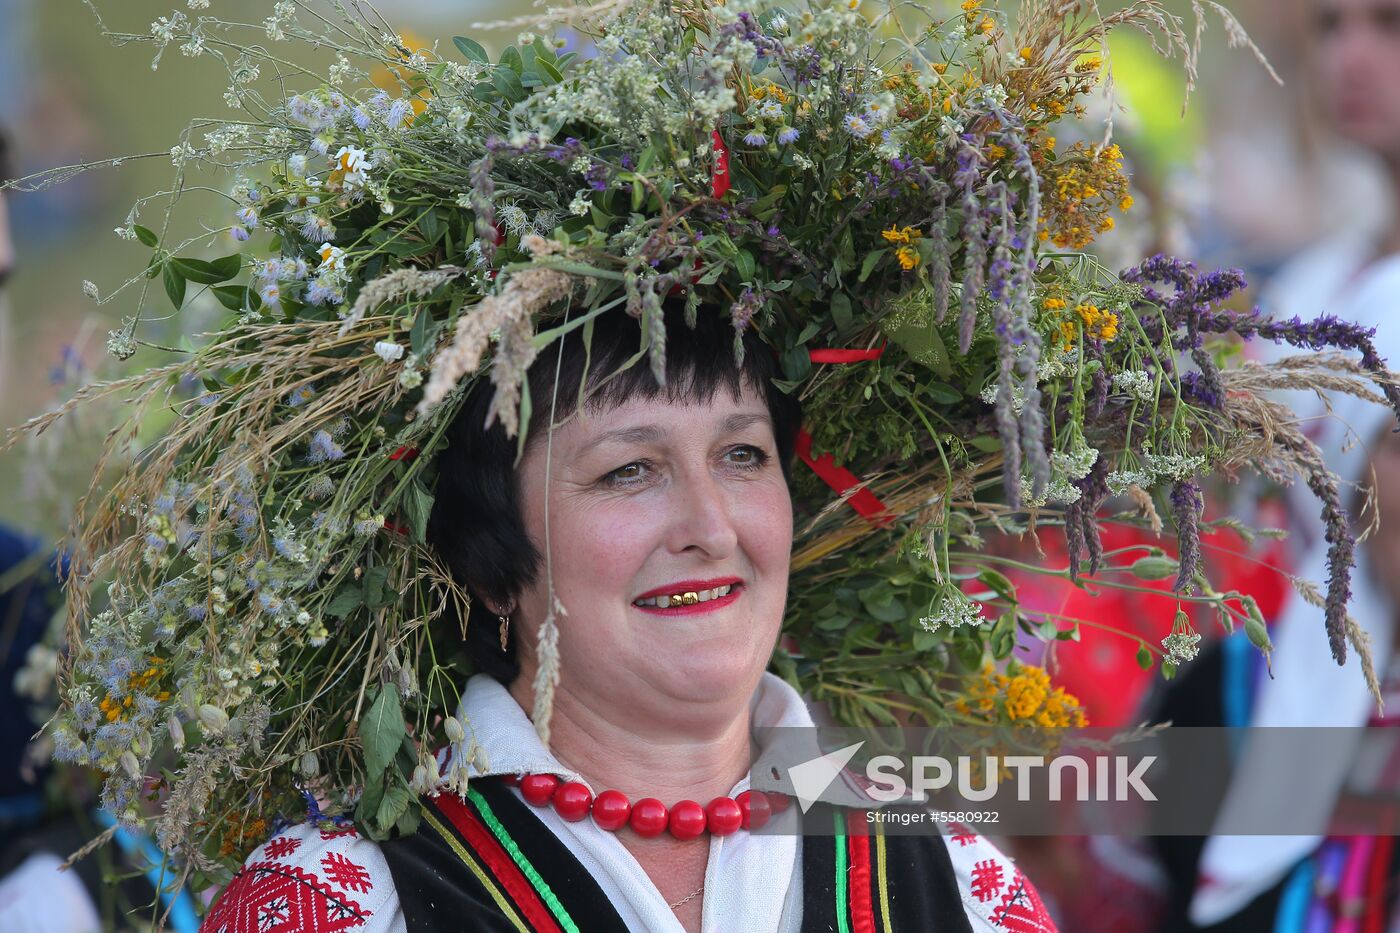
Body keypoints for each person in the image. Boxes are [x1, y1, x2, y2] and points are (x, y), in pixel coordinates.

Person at [199, 299, 1056, 933]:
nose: (712, 527)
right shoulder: (340, 901)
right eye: (629, 471)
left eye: (742, 454)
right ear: (489, 566)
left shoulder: (959, 883)